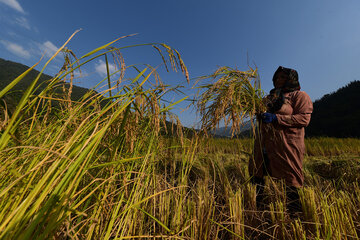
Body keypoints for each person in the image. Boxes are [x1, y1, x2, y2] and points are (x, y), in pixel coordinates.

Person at [248, 66, 313, 215]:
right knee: (257, 173)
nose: (278, 80)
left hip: (286, 144)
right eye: (277, 77)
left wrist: (277, 117)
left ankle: (294, 214)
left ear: (291, 79)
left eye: (282, 77)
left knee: (290, 178)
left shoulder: (299, 96)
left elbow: (304, 119)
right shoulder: (269, 98)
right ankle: (257, 208)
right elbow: (259, 115)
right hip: (265, 142)